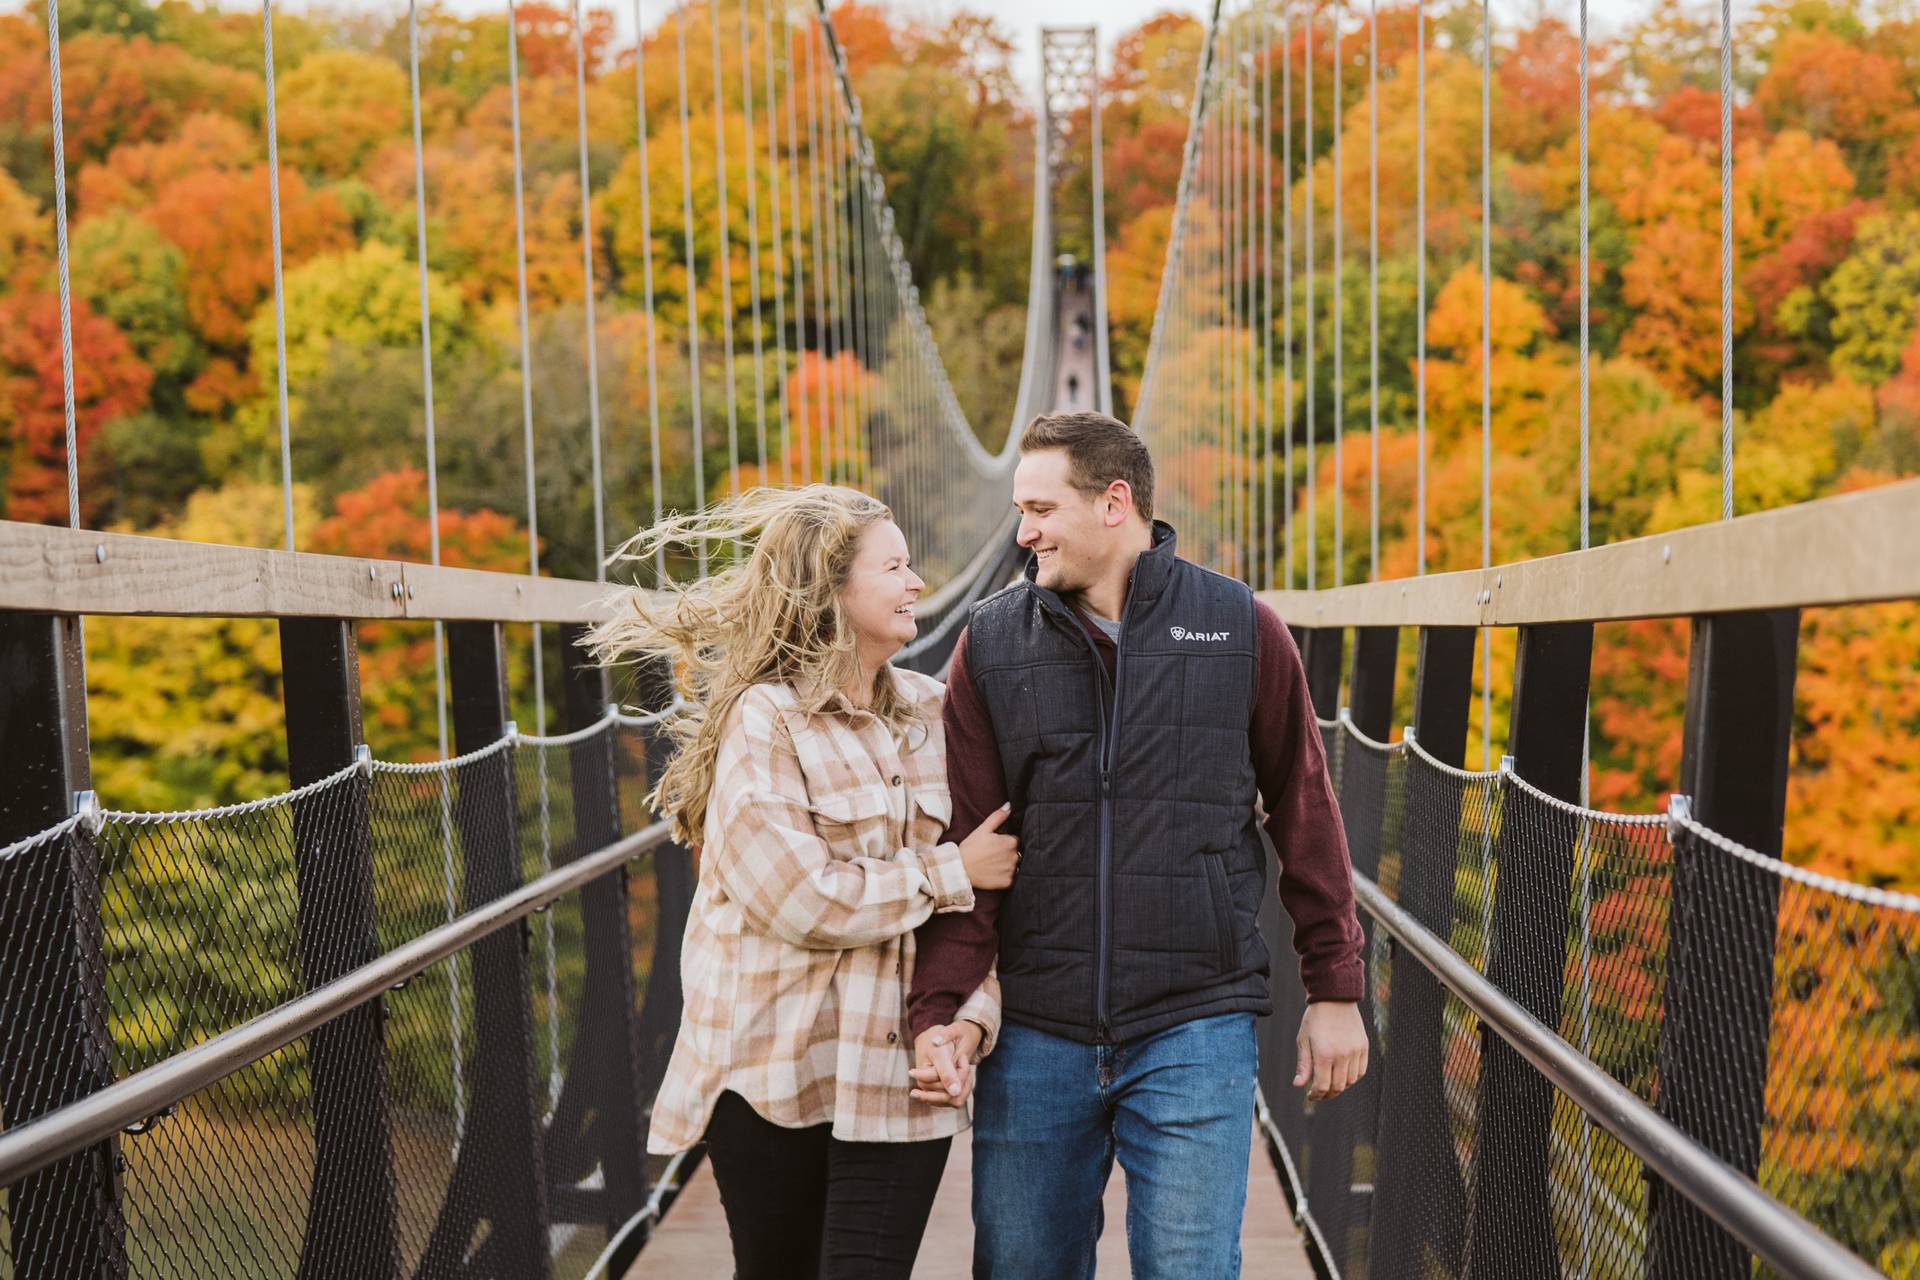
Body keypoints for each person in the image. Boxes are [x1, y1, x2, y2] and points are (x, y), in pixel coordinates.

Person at [905, 412, 1370, 1280]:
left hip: (1195, 1021)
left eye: (1041, 508)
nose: (1022, 531)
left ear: (1115, 503)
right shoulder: (992, 645)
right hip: (1036, 1029)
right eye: (1019, 509)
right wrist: (941, 1010)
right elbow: (971, 843)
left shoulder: (1241, 629)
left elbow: (1307, 808)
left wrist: (1335, 987)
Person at [588, 485, 1017, 1280]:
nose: (918, 583)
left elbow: (987, 909)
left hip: (896, 1074)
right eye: (895, 567)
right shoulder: (766, 721)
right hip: (773, 1079)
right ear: (831, 590)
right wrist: (951, 869)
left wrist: (969, 1022)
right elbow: (802, 897)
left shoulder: (936, 713)